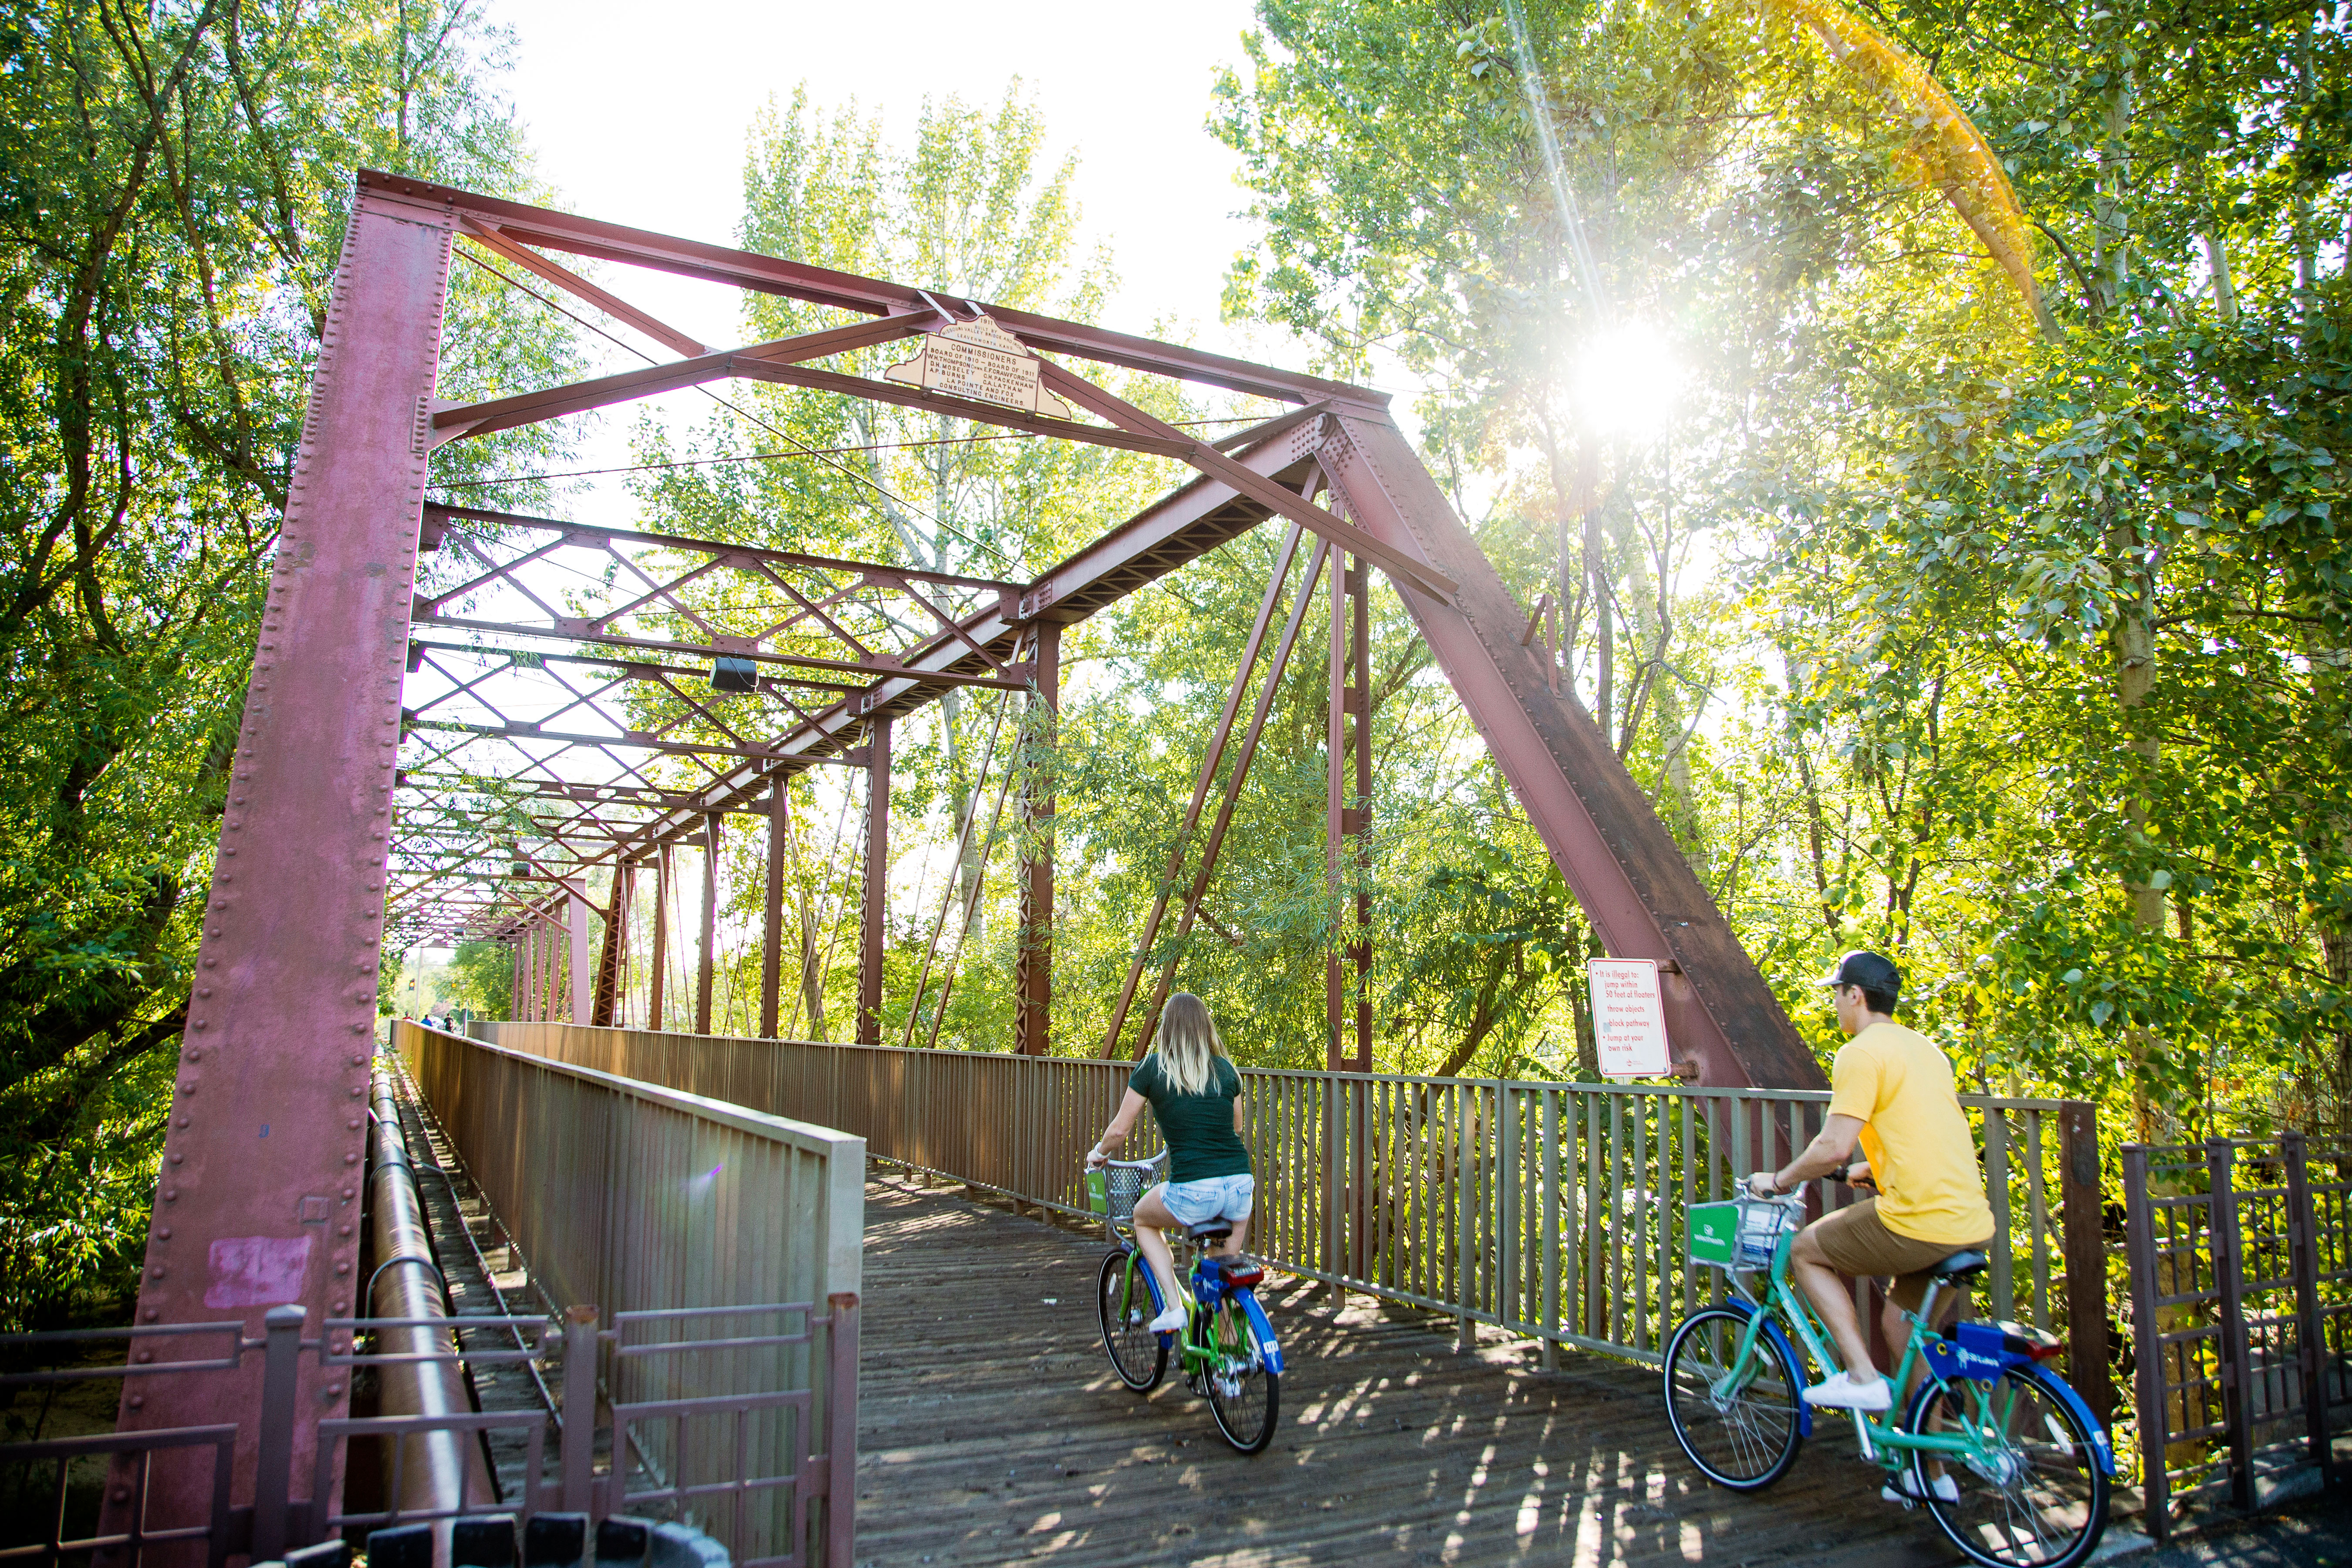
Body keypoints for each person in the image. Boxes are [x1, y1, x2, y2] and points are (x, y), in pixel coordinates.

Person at [1747, 950, 1994, 1452]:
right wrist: (1869, 1171)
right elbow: (1920, 1133)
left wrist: (1778, 1179)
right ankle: (1932, 1470)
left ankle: (1862, 1376)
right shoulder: (1925, 1049)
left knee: (1805, 1251)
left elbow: (1832, 1145)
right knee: (1903, 1328)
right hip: (1968, 1220)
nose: (1835, 1004)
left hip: (1918, 1220)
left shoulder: (1860, 1052)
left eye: (1837, 994)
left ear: (1855, 996)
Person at [1086, 993, 1254, 1334]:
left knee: (1143, 1220)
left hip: (1193, 1189)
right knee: (1218, 1276)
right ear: (1205, 1027)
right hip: (1239, 1187)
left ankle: (1174, 1308)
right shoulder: (1225, 1070)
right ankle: (1228, 1370)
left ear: (1167, 1028)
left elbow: (1120, 1130)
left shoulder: (1154, 1067)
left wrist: (1100, 1153)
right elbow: (1236, 1127)